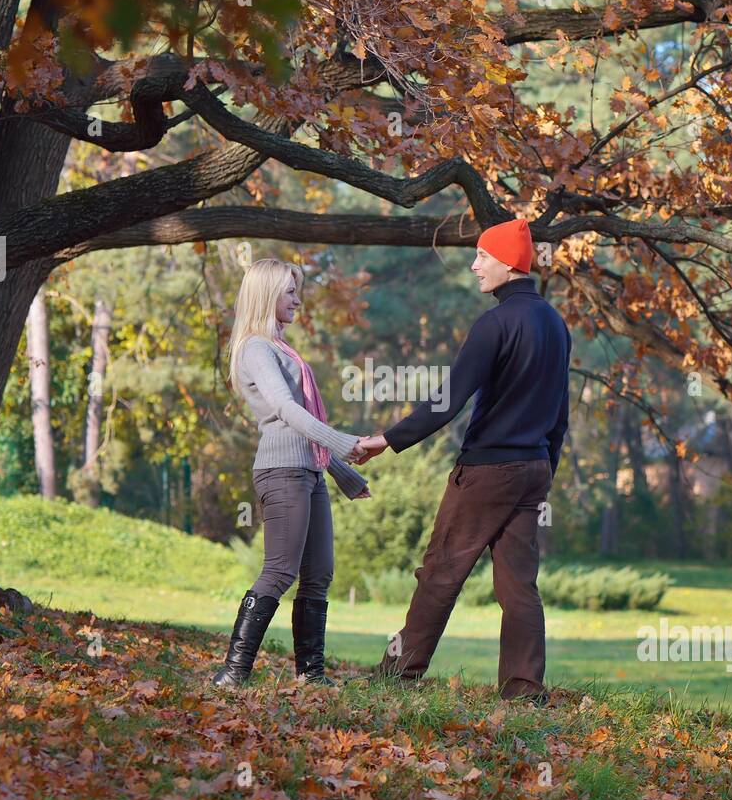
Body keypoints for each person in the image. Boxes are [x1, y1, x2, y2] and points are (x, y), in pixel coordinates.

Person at [355, 218, 571, 702]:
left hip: (487, 471)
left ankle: (396, 677)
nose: (474, 266)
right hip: (532, 469)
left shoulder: (494, 324)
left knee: (440, 573)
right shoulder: (556, 325)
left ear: (509, 262)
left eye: (482, 256)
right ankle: (524, 689)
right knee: (519, 586)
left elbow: (446, 400)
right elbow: (560, 412)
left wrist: (387, 439)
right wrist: (544, 471)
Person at [213, 258, 370, 688]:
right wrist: (341, 441)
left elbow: (302, 429)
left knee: (318, 573)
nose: (298, 299)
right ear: (266, 295)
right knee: (280, 570)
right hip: (281, 473)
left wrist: (342, 473)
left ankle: (311, 675)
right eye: (290, 291)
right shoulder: (256, 348)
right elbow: (286, 412)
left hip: (308, 472)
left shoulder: (282, 349)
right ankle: (234, 672)